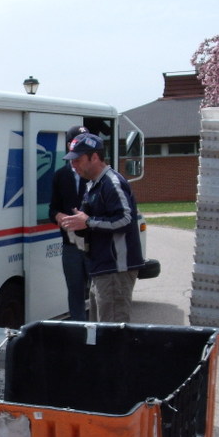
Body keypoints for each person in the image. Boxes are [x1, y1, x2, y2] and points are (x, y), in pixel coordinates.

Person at [60, 133, 144, 323]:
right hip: (101, 267)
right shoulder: (93, 185)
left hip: (116, 269)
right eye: (71, 161)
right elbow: (89, 221)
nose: (73, 166)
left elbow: (125, 219)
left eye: (78, 160)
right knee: (98, 330)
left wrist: (88, 222)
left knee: (112, 331)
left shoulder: (112, 183)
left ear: (95, 157)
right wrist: (77, 223)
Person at [49, 124, 90, 320]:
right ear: (69, 146)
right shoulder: (60, 175)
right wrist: (59, 216)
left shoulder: (96, 173)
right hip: (71, 245)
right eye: (78, 142)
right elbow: (52, 209)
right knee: (75, 292)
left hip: (95, 243)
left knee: (97, 292)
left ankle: (98, 333)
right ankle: (79, 333)